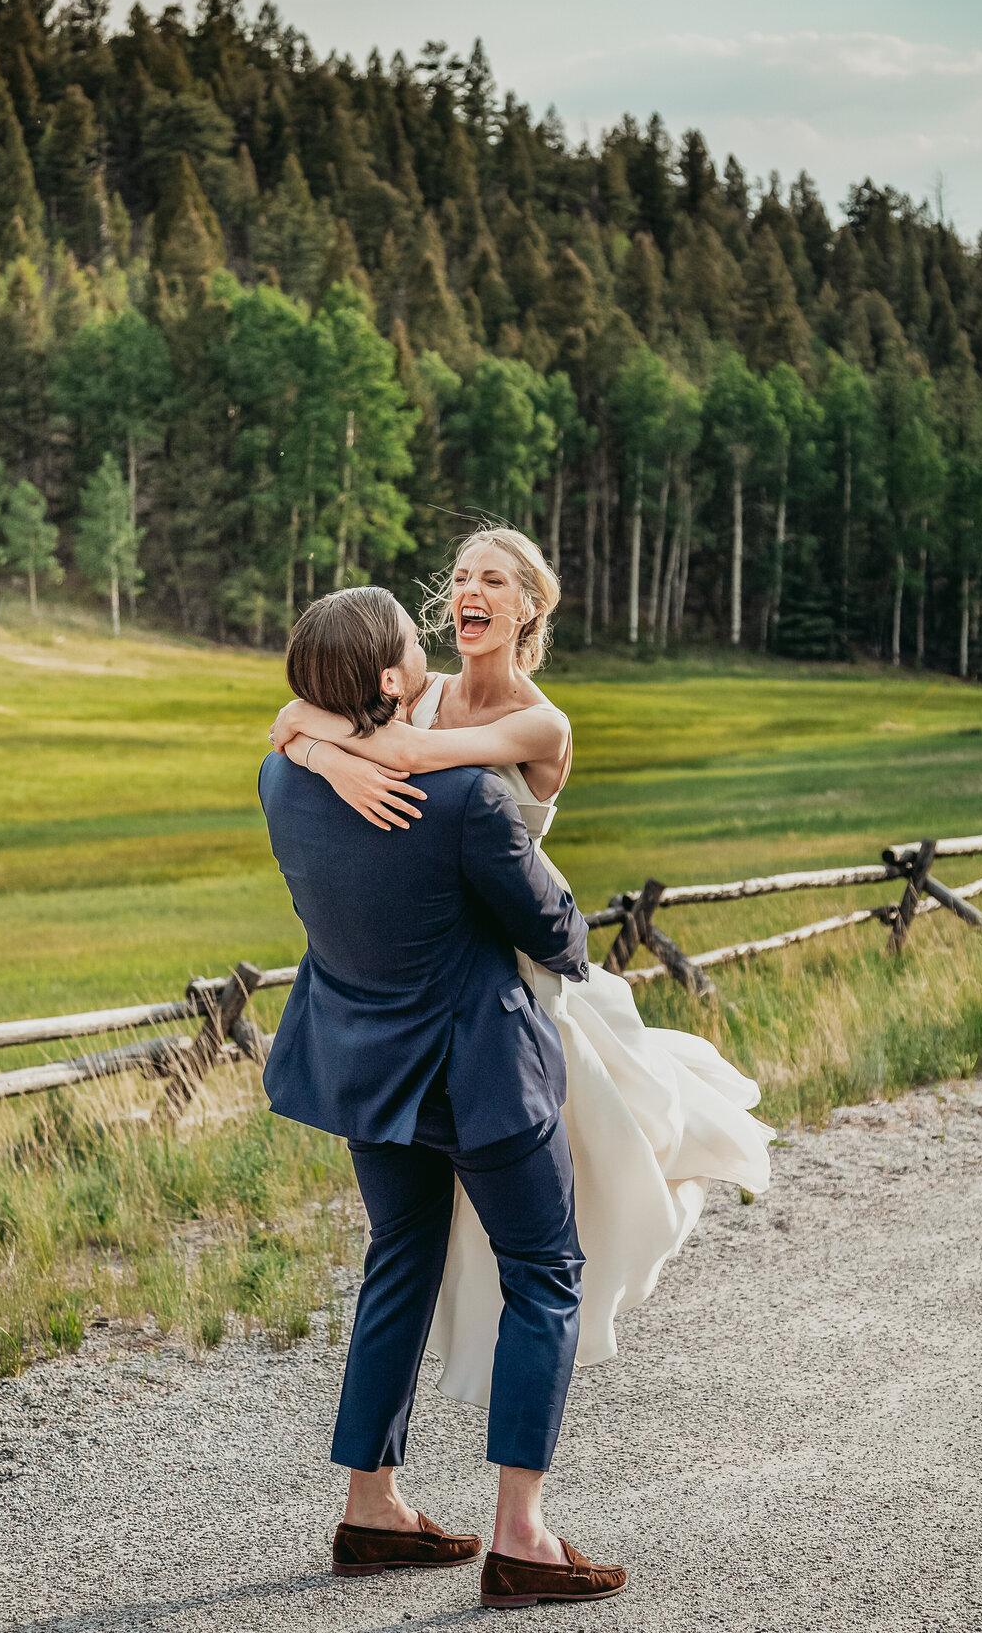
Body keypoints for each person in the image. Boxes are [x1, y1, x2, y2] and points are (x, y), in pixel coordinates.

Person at [270, 528, 774, 1411]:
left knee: (591, 1189)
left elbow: (414, 759)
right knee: (437, 1237)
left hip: (516, 977)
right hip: (438, 981)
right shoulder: (418, 689)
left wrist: (331, 753)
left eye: (492, 579)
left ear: (527, 607)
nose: (469, 590)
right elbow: (294, 717)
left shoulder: (540, 723)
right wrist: (320, 754)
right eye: (460, 577)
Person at [258, 584, 628, 1611]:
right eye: (408, 645)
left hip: (367, 1071)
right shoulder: (464, 799)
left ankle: (371, 1506)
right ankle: (522, 1536)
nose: (427, 648)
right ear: (387, 682)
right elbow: (555, 933)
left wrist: (322, 747)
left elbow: (293, 729)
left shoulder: (282, 778)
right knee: (545, 1272)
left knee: (399, 1265)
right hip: (477, 1074)